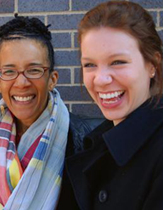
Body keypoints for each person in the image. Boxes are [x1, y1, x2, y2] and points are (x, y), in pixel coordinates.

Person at [0, 14, 103, 210]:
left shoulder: (86, 142)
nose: (21, 83)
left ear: (52, 79)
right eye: (9, 71)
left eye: (34, 70)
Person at [59, 1, 163, 209]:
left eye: (118, 62)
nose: (100, 79)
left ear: (152, 64)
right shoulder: (98, 141)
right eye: (90, 65)